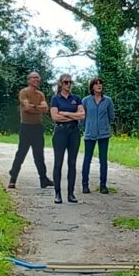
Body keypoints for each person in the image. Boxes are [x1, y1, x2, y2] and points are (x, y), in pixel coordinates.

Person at [7, 71, 54, 189]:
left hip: (38, 127)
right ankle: (13, 178)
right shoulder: (24, 92)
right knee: (21, 153)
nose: (36, 80)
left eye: (38, 78)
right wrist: (37, 107)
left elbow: (45, 108)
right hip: (26, 126)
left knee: (39, 154)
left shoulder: (40, 94)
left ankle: (43, 179)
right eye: (34, 78)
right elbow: (27, 108)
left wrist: (33, 107)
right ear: (28, 80)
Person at [49, 73, 85, 204]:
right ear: (60, 84)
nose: (68, 85)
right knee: (58, 163)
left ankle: (71, 193)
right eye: (66, 82)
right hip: (60, 132)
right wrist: (73, 116)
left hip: (74, 132)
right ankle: (57, 193)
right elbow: (55, 117)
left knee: (72, 163)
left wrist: (66, 113)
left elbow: (82, 115)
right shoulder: (55, 99)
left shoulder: (76, 98)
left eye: (70, 82)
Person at [81, 77, 115, 194]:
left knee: (103, 160)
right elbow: (82, 116)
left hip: (103, 134)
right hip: (90, 134)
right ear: (92, 87)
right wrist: (86, 127)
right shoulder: (85, 100)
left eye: (100, 84)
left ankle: (103, 185)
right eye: (96, 84)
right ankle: (85, 185)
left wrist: (104, 125)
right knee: (87, 159)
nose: (99, 86)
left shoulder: (107, 101)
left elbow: (111, 116)